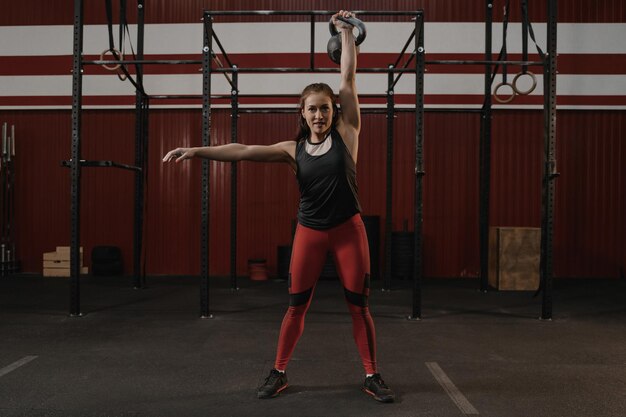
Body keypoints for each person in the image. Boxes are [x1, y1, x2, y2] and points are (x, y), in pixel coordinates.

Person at [163, 10, 394, 403]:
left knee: (359, 307)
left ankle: (372, 375)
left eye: (325, 107)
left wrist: (346, 33)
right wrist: (196, 150)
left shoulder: (348, 132)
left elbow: (348, 78)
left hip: (348, 231)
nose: (319, 114)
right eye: (312, 108)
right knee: (295, 308)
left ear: (335, 111)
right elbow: (243, 151)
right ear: (302, 113)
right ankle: (279, 371)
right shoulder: (292, 150)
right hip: (310, 233)